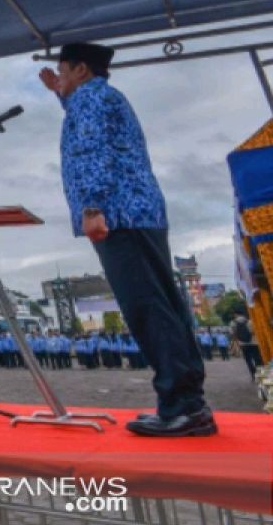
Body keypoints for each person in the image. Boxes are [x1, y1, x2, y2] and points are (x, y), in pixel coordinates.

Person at [40, 43, 212, 436]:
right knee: (162, 304)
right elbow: (94, 134)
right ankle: (186, 403)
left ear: (81, 69)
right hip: (138, 213)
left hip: (118, 215)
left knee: (146, 307)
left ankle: (182, 405)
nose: (59, 78)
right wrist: (61, 96)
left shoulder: (89, 100)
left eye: (62, 71)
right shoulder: (99, 98)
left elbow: (91, 151)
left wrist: (91, 206)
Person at [232, 315, 262, 380]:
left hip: (243, 344)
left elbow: (234, 335)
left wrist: (237, 343)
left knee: (248, 360)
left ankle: (253, 375)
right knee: (257, 359)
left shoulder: (234, 324)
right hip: (254, 343)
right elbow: (254, 331)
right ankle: (260, 374)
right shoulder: (250, 322)